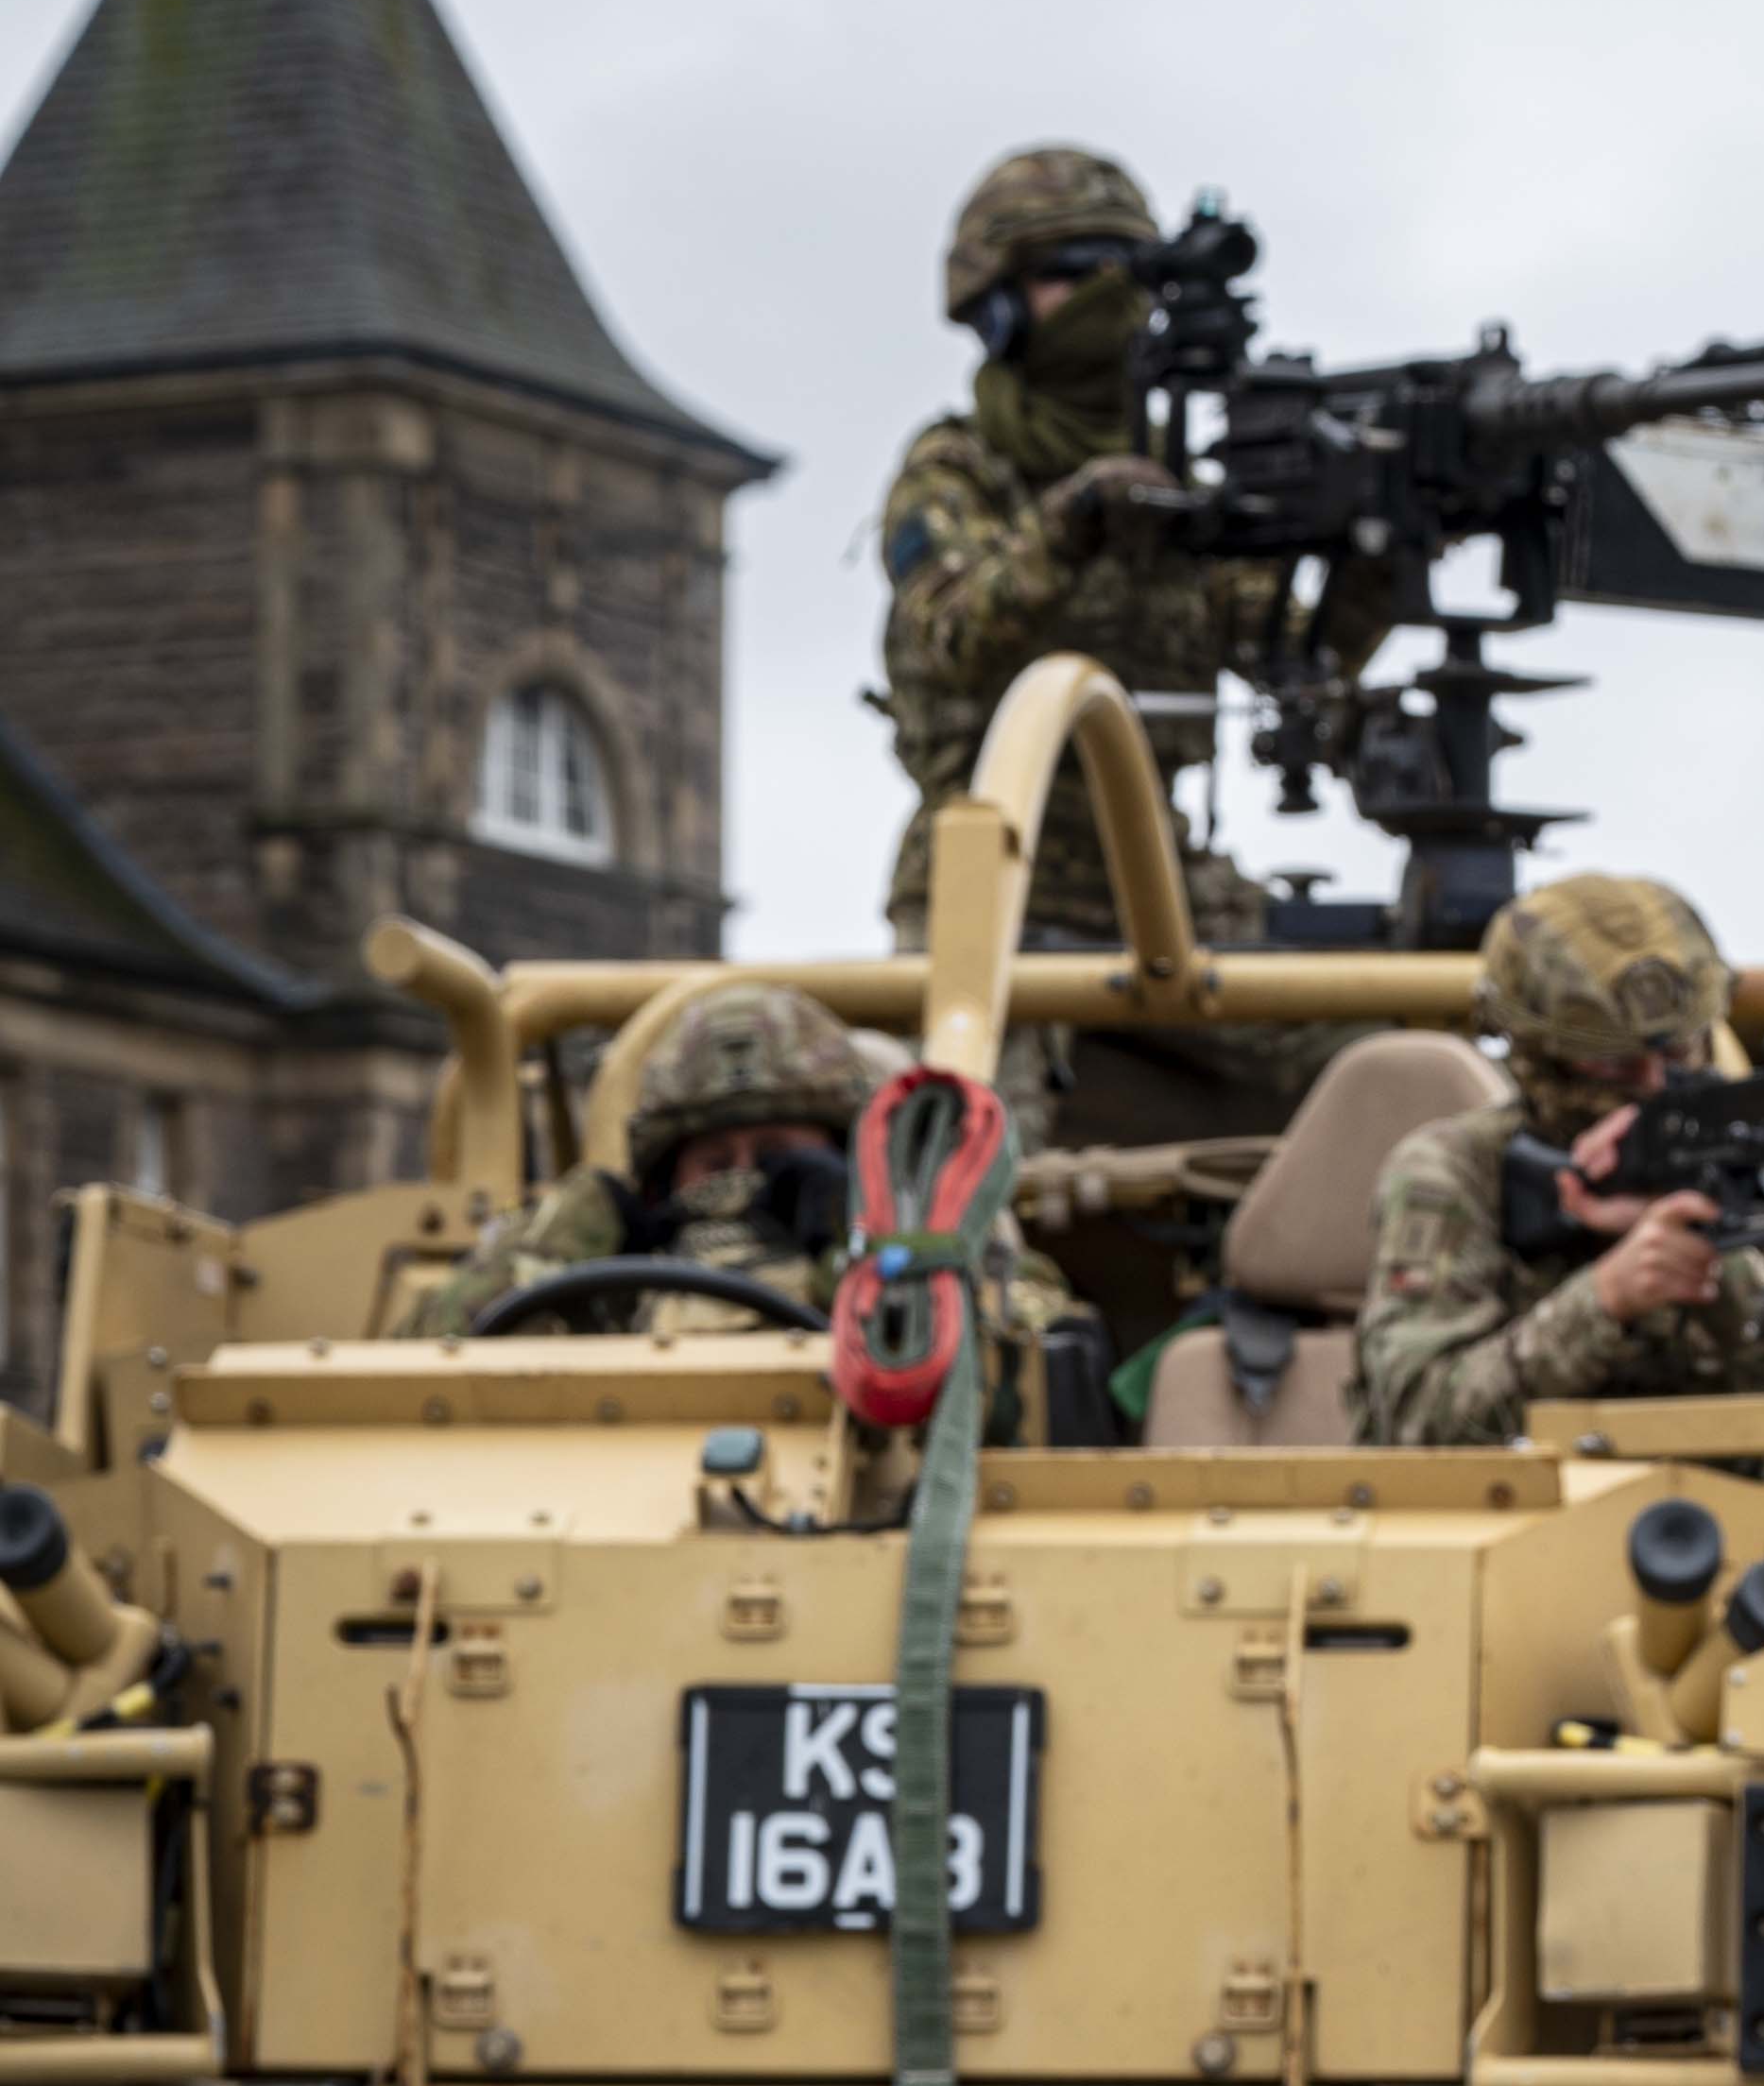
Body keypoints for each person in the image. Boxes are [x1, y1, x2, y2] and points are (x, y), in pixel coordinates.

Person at [877, 145, 1363, 954]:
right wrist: (1075, 521)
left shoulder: (1184, 492)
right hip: (992, 883)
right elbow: (949, 633)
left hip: (1160, 887)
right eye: (1070, 272)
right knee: (984, 1084)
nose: (1103, 298)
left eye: (1123, 273)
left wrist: (1378, 546)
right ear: (995, 300)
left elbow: (1303, 659)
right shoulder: (957, 471)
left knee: (1391, 1049)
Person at [1350, 873, 1764, 1445]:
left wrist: (1721, 1258)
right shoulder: (1455, 1174)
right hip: (1508, 1520)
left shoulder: (1739, 1165)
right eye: (1613, 1066)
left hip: (1728, 1522)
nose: (1655, 1084)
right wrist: (1605, 1299)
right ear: (1539, 1060)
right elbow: (1418, 1420)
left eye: (1676, 1051)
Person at [405, 985, 877, 1343]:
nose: (745, 1177)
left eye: (781, 1159)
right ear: (665, 1182)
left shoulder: (882, 1271)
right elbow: (411, 1376)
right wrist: (543, 1251)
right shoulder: (604, 1298)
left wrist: (857, 1234)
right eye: (715, 1163)